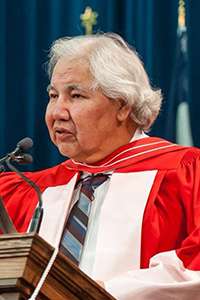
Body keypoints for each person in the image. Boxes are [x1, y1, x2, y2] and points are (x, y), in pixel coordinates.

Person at [0, 33, 200, 300]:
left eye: (76, 96)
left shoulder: (187, 173)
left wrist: (98, 294)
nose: (57, 112)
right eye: (53, 95)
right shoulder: (27, 191)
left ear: (123, 105)